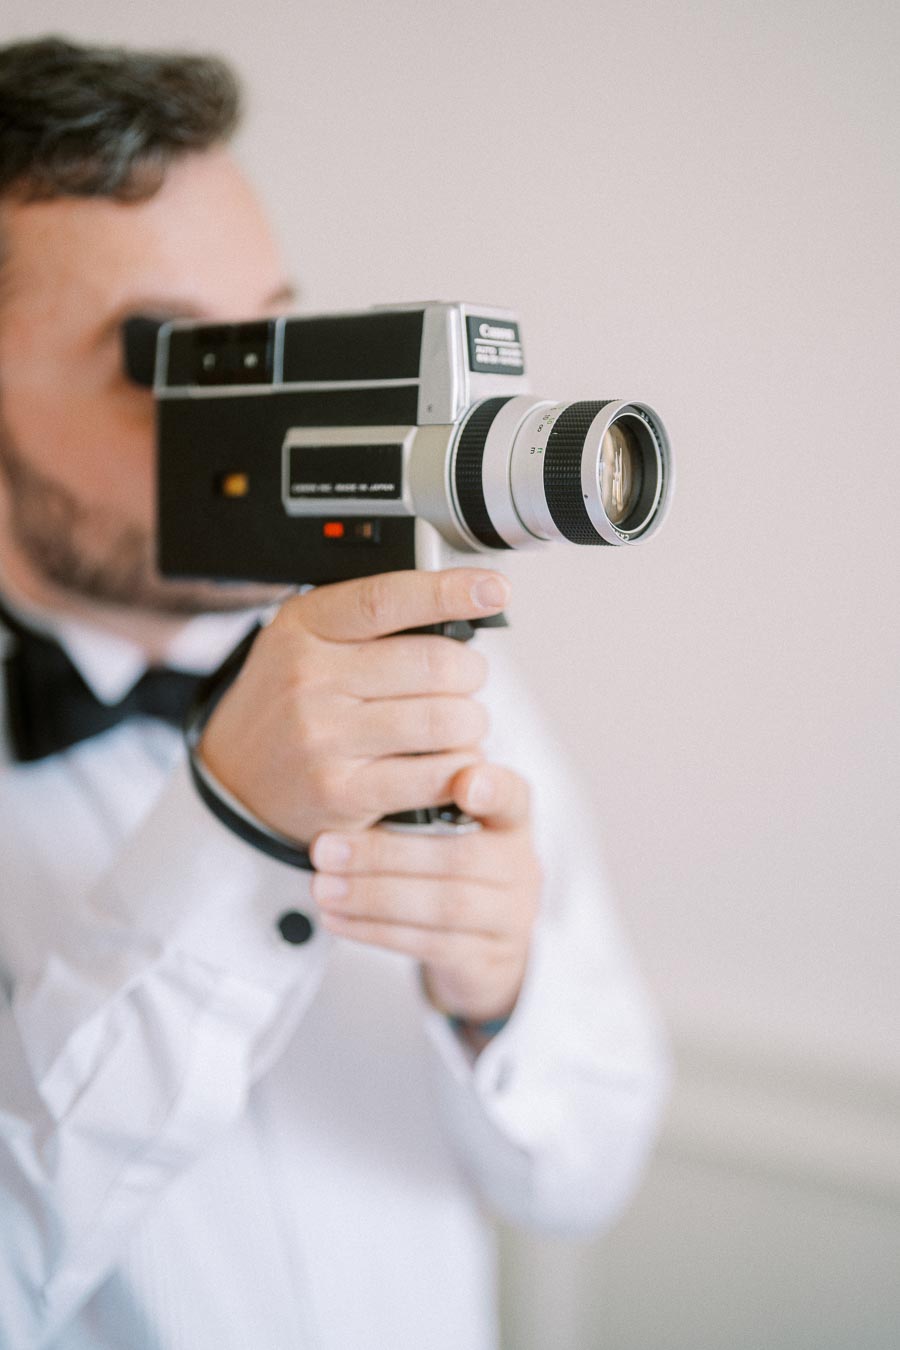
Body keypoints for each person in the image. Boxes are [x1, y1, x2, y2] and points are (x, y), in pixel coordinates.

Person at [0, 35, 669, 1350]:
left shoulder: (422, 668)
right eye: (171, 363)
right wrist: (226, 834)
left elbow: (589, 1177)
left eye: (269, 339)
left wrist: (498, 998)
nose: (258, 415)